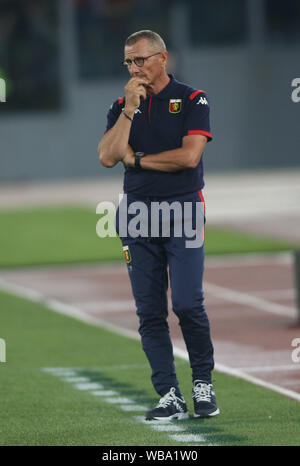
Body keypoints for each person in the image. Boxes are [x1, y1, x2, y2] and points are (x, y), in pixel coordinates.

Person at [98, 30, 219, 420]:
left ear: (163, 58)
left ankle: (203, 383)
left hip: (183, 209)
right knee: (149, 312)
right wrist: (130, 110)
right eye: (129, 62)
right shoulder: (121, 105)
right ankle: (169, 394)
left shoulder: (192, 99)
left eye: (141, 60)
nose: (135, 68)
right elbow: (106, 156)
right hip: (136, 214)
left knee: (187, 303)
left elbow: (188, 157)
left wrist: (136, 160)